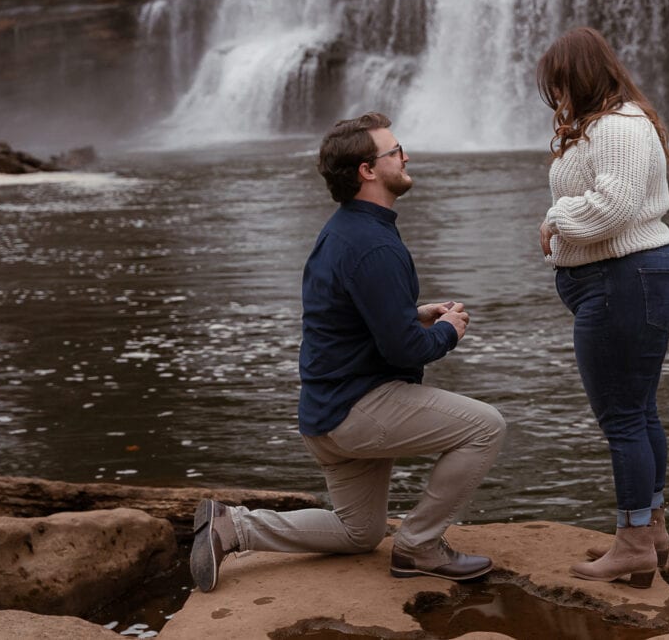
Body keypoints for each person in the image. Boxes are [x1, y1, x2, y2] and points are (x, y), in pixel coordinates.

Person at [190, 112, 506, 592]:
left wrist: (413, 312)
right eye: (395, 151)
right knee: (486, 426)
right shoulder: (374, 246)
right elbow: (404, 351)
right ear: (367, 170)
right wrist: (448, 331)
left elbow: (350, 318)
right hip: (357, 409)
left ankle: (233, 526)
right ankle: (420, 546)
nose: (406, 156)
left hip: (324, 412)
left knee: (360, 532)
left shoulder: (343, 231)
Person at [536, 27, 669, 588]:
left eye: (558, 85)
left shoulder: (619, 127)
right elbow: (600, 202)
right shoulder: (609, 125)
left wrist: (556, 221)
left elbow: (614, 207)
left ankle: (631, 543)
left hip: (623, 281)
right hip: (626, 280)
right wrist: (558, 222)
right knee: (639, 412)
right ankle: (651, 531)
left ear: (579, 76)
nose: (555, 97)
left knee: (622, 418)